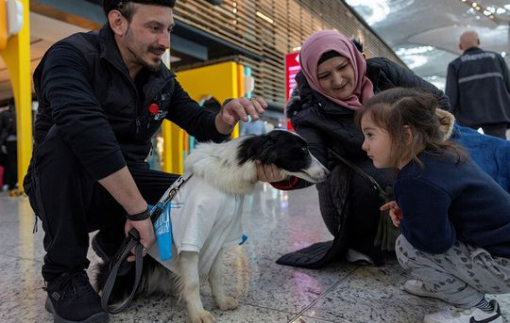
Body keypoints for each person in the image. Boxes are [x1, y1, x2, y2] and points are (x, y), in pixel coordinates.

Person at [23, 1, 269, 322]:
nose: (165, 42)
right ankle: (63, 275)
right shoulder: (70, 56)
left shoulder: (160, 80)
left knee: (194, 193)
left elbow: (202, 124)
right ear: (118, 22)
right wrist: (138, 210)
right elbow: (86, 131)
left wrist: (224, 117)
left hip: (125, 183)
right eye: (154, 28)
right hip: (65, 184)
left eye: (169, 30)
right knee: (67, 138)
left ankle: (117, 243)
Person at [268, 30, 451, 267]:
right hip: (352, 199)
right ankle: (363, 243)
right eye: (324, 76)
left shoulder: (382, 72)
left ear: (354, 58)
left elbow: (439, 102)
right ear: (313, 78)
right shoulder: (309, 111)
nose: (337, 80)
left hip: (405, 163)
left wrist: (408, 142)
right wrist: (282, 174)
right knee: (376, 171)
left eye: (343, 66)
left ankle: (429, 232)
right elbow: (315, 160)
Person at [359, 87, 510, 323]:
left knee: (407, 248)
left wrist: (409, 219)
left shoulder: (417, 180)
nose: (364, 146)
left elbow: (434, 243)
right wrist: (412, 209)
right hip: (502, 252)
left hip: (502, 265)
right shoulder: (442, 156)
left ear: (405, 135)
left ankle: (481, 310)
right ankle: (441, 283)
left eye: (370, 135)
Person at [445, 30, 510, 139]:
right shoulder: (497, 58)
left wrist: (447, 120)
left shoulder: (456, 65)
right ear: (478, 41)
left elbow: (451, 96)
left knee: (470, 148)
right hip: (497, 113)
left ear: (460, 46)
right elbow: (508, 85)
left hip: (467, 118)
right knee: (499, 147)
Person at [0, 98, 18, 196]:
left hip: (8, 142)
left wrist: (2, 143)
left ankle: (9, 183)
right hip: (21, 142)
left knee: (10, 162)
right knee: (16, 162)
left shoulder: (4, 114)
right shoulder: (21, 112)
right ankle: (15, 182)